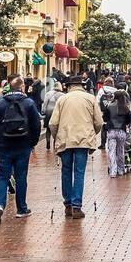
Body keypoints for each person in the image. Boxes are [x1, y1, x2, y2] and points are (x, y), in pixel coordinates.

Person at [48, 75, 101, 219]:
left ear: (69, 86)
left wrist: (57, 136)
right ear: (82, 85)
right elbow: (99, 122)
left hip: (65, 140)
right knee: (79, 172)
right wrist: (91, 134)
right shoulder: (90, 98)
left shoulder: (62, 99)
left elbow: (52, 123)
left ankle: (68, 204)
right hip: (83, 141)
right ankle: (77, 206)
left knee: (66, 171)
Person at [0, 78, 42, 223]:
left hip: (4, 146)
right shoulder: (29, 103)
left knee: (3, 177)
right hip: (23, 145)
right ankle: (21, 208)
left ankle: (0, 204)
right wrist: (32, 143)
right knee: (21, 177)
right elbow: (36, 125)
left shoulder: (0, 104)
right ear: (22, 87)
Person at [103, 87, 131, 177]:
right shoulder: (125, 107)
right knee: (121, 151)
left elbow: (105, 118)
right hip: (122, 131)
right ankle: (121, 170)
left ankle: (113, 171)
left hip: (112, 130)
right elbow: (128, 120)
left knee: (111, 151)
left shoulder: (109, 106)